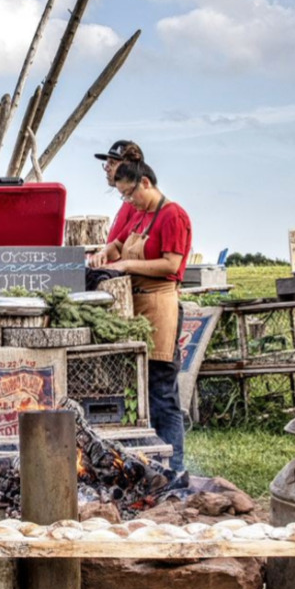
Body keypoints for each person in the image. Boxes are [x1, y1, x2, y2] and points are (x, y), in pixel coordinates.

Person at [99, 161, 191, 473]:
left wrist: (126, 266)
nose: (129, 201)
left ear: (146, 183)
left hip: (160, 307)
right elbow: (119, 245)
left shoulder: (172, 215)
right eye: (124, 197)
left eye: (130, 194)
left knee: (162, 390)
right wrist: (105, 254)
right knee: (143, 391)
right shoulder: (141, 215)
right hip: (139, 309)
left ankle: (174, 466)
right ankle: (151, 464)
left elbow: (170, 264)